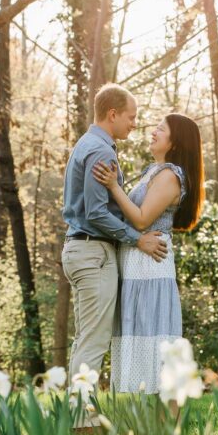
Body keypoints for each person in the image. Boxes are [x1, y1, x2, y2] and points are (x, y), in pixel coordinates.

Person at [61, 84, 168, 410]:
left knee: (86, 339)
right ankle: (82, 422)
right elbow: (95, 213)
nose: (134, 124)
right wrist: (138, 239)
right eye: (131, 117)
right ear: (113, 114)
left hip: (82, 249)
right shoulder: (101, 151)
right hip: (92, 252)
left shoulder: (88, 143)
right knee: (93, 342)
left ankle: (77, 415)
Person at [92, 112, 204, 393]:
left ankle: (169, 428)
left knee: (156, 341)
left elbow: (141, 219)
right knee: (141, 337)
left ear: (175, 142)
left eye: (161, 129)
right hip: (136, 264)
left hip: (151, 266)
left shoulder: (170, 176)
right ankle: (149, 428)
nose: (153, 132)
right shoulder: (153, 172)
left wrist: (114, 186)